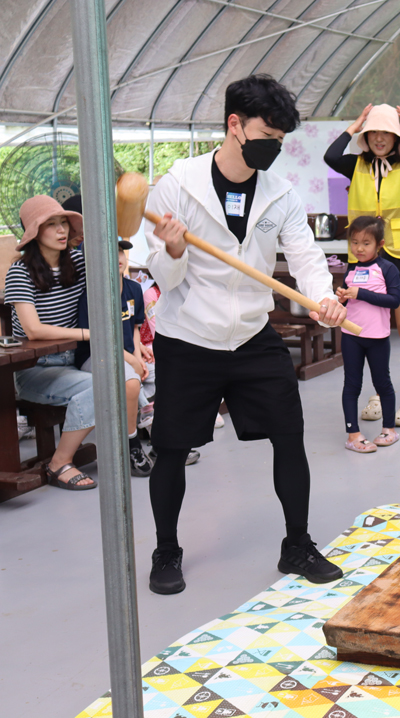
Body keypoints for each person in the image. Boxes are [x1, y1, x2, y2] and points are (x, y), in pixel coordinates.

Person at [144, 74, 347, 595]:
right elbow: (162, 276)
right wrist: (173, 249)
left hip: (253, 335)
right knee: (171, 447)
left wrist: (322, 297)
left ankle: (297, 544)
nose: (272, 148)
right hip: (188, 337)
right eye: (266, 136)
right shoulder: (178, 184)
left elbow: (304, 256)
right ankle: (166, 550)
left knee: (290, 437)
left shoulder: (280, 193)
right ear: (234, 125)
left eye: (280, 140)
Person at [323, 103, 400, 429]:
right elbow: (331, 155)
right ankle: (378, 393)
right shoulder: (355, 165)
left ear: (396, 137)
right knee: (371, 331)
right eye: (374, 133)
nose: (380, 139)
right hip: (364, 261)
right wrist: (356, 123)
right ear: (366, 136)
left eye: (387, 133)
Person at [4, 196, 96, 490]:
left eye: (64, 223)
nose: (61, 230)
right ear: (34, 233)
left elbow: (114, 272)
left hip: (71, 362)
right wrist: (87, 333)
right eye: (51, 224)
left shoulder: (78, 263)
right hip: (34, 369)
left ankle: (143, 439)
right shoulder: (20, 272)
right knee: (100, 387)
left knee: (124, 376)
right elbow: (33, 330)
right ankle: (60, 463)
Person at [74, 239, 154, 477]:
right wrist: (132, 361)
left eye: (119, 252)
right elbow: (99, 340)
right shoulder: (92, 295)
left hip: (127, 355)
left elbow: (135, 328)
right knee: (131, 380)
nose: (117, 257)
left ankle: (160, 437)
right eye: (109, 252)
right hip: (96, 357)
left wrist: (138, 354)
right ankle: (133, 445)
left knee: (166, 372)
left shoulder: (134, 289)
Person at [336, 216, 400, 453]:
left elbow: (394, 300)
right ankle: (353, 434)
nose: (359, 248)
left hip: (377, 337)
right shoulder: (352, 268)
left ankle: (389, 429)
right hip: (351, 336)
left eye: (366, 243)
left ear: (379, 244)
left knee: (382, 382)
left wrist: (360, 293)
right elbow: (349, 301)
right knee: (351, 384)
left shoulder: (387, 269)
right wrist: (342, 298)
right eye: (354, 242)